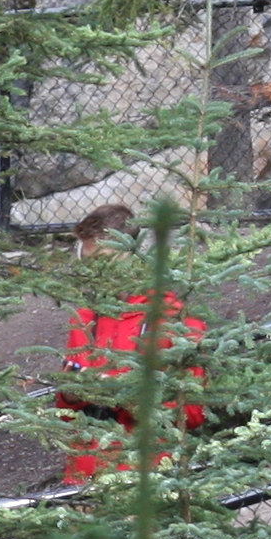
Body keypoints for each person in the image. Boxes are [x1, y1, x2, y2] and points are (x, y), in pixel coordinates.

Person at [57, 203, 209, 487]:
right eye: (89, 263)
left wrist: (124, 396)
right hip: (81, 479)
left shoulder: (174, 319)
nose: (95, 275)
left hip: (144, 483)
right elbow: (66, 415)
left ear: (136, 257)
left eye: (104, 263)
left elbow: (191, 414)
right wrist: (71, 395)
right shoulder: (86, 318)